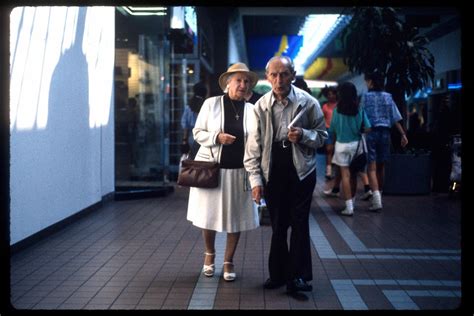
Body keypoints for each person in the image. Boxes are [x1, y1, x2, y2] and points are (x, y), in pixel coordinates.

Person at [244, 56, 327, 297]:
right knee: (278, 224)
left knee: (300, 223)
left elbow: (323, 136)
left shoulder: (308, 102)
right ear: (267, 77)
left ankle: (298, 276)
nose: (279, 80)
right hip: (273, 166)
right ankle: (279, 274)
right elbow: (253, 148)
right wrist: (256, 181)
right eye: (274, 75)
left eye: (284, 75)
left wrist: (303, 135)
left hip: (302, 168)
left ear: (292, 75)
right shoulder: (260, 106)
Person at [186, 62, 260, 282]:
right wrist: (216, 137)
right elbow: (197, 133)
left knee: (235, 218)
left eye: (246, 81)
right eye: (238, 80)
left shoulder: (251, 110)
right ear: (228, 82)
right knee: (208, 217)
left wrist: (256, 177)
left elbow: (255, 143)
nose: (243, 84)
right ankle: (209, 255)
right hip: (212, 170)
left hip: (239, 172)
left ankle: (229, 260)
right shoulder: (212, 104)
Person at [361, 70, 408, 211]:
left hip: (371, 133)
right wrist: (403, 134)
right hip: (385, 134)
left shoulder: (366, 97)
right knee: (381, 167)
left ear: (371, 82)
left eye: (367, 81)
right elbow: (395, 118)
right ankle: (379, 195)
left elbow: (361, 115)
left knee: (371, 168)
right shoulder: (388, 97)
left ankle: (377, 201)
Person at [328, 82, 371, 216]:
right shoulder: (359, 109)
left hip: (341, 145)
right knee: (354, 175)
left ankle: (349, 207)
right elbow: (368, 128)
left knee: (345, 176)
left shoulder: (336, 110)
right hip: (356, 145)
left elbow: (332, 129)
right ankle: (352, 200)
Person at [181, 82, 208, 159]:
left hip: (192, 138)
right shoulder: (207, 106)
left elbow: (185, 125)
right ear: (205, 93)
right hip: (205, 138)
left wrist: (184, 140)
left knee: (192, 161)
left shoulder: (188, 107)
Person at [320, 85, 338, 180]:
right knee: (329, 150)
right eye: (329, 94)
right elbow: (322, 119)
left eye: (332, 94)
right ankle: (329, 171)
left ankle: (336, 171)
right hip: (328, 130)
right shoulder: (325, 107)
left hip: (338, 131)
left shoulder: (339, 105)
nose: (331, 96)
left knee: (336, 151)